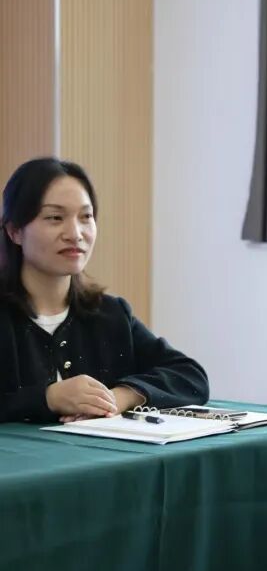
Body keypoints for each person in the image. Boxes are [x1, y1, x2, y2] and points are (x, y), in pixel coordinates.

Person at [0, 157, 209, 423]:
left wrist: (120, 397)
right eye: (55, 218)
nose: (75, 233)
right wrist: (47, 398)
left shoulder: (110, 314)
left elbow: (191, 377)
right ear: (15, 231)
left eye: (86, 217)